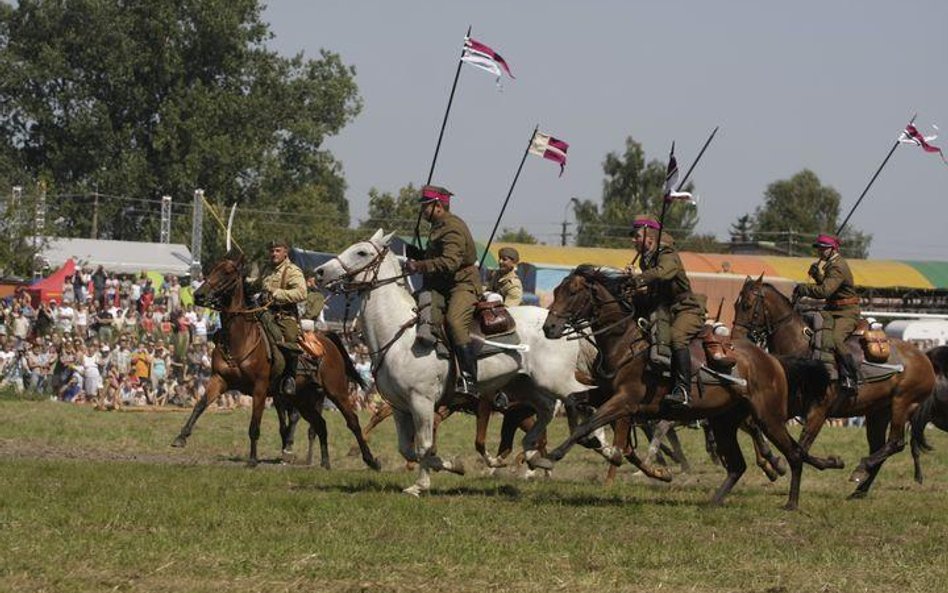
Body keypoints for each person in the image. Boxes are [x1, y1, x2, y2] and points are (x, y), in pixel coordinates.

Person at [404, 185, 482, 397]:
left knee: (455, 322)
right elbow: (439, 257)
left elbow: (450, 262)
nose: (422, 212)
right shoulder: (438, 226)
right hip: (442, 285)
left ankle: (469, 380)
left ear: (438, 206)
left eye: (425, 207)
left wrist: (419, 265)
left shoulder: (452, 227)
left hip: (462, 284)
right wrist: (420, 255)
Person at [627, 216, 706, 407]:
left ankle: (683, 391)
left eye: (636, 236)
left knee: (677, 336)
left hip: (686, 308)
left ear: (650, 237)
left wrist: (638, 279)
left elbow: (664, 273)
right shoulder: (647, 259)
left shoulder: (667, 254)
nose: (633, 240)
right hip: (665, 308)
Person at [793, 233, 860, 403]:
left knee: (836, 339)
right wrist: (817, 276)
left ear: (833, 249)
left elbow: (825, 292)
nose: (820, 252)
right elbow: (829, 286)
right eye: (819, 249)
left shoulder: (838, 266)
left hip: (846, 312)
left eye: (823, 249)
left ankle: (850, 377)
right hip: (832, 309)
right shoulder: (831, 265)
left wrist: (804, 289)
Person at [247, 238, 306, 395]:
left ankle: (290, 377)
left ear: (286, 251)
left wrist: (278, 293)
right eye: (272, 250)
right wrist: (244, 281)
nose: (273, 253)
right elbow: (257, 284)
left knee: (290, 338)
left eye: (277, 250)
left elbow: (301, 292)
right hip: (263, 312)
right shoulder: (267, 268)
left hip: (283, 316)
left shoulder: (292, 270)